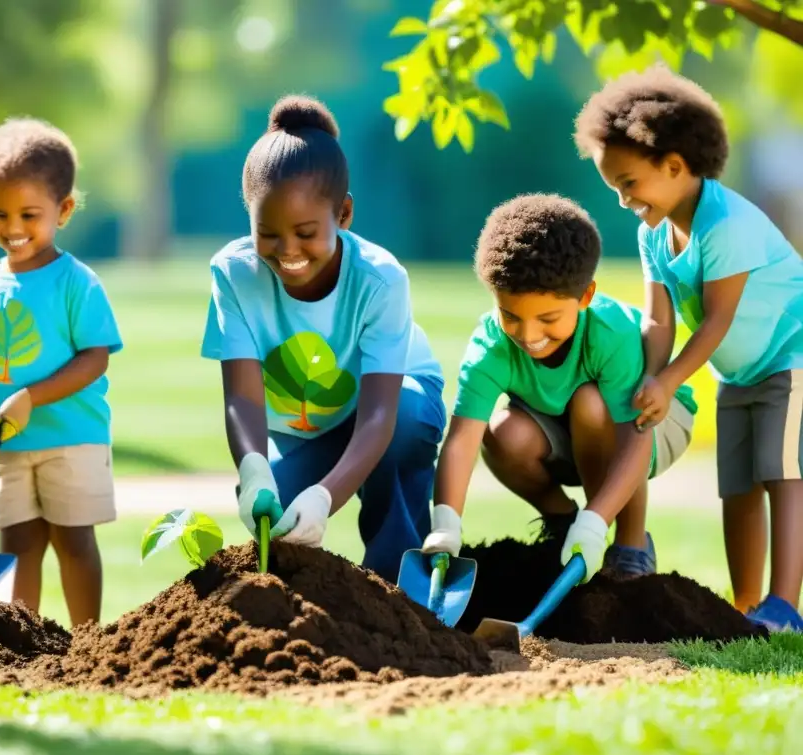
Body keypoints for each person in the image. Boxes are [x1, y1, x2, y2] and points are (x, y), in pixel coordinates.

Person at [574, 64, 803, 631]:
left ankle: (785, 606)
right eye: (616, 188)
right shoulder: (653, 231)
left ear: (675, 166)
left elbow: (717, 320)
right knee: (739, 484)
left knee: (781, 473)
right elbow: (659, 319)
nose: (624, 199)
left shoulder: (726, 225)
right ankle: (746, 605)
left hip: (791, 355)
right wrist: (648, 383)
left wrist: (671, 380)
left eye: (630, 183)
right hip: (738, 372)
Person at [200, 94, 446, 583]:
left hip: (391, 408)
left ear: (345, 214)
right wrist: (253, 470)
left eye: (306, 232)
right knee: (279, 518)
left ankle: (398, 586)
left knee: (405, 424)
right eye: (267, 233)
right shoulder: (234, 273)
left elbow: (380, 415)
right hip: (306, 429)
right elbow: (243, 398)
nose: (287, 250)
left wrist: (326, 496)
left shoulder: (380, 280)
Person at [422, 193, 697, 584]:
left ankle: (632, 545)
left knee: (590, 402)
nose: (529, 335)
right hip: (566, 429)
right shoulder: (490, 347)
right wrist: (446, 524)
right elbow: (464, 437)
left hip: (652, 423)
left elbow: (634, 437)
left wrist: (597, 521)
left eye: (548, 318)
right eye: (511, 316)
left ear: (584, 296)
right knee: (502, 433)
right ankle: (562, 522)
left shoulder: (609, 333)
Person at [0, 117, 123, 627]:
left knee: (74, 540)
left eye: (29, 214)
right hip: (5, 444)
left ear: (63, 211)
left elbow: (95, 358)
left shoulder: (77, 283)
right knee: (15, 544)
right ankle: (21, 645)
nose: (13, 228)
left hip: (72, 438)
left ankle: (89, 643)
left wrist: (32, 397)